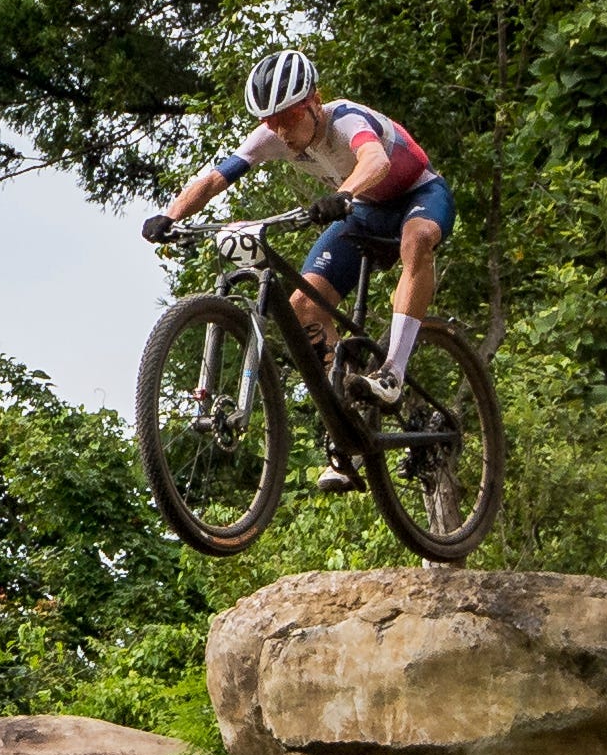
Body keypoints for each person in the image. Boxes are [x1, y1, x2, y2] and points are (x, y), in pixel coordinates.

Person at [141, 49, 456, 491]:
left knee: (417, 239)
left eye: (287, 118)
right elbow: (216, 177)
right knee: (303, 305)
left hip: (417, 195)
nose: (280, 132)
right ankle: (344, 421)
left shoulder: (346, 119)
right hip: (361, 210)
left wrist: (343, 195)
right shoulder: (271, 136)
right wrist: (171, 216)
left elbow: (376, 162)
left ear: (313, 102)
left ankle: (392, 373)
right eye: (271, 123)